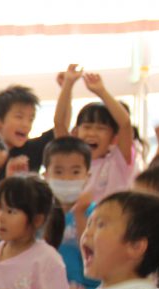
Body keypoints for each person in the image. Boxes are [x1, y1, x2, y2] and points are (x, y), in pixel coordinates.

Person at [55, 68, 136, 202]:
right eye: (87, 127)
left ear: (114, 138)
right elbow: (59, 123)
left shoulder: (117, 161)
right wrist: (68, 84)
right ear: (76, 132)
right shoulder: (71, 159)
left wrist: (101, 91)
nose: (92, 133)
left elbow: (125, 123)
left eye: (101, 128)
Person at [43, 136, 98, 289]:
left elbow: (94, 254)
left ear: (87, 176)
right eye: (58, 171)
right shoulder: (41, 213)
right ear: (46, 175)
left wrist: (80, 214)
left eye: (75, 172)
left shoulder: (96, 213)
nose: (67, 178)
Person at [0, 84, 54, 173]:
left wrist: (67, 85)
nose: (26, 124)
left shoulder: (33, 150)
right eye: (19, 117)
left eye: (31, 119)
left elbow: (60, 126)